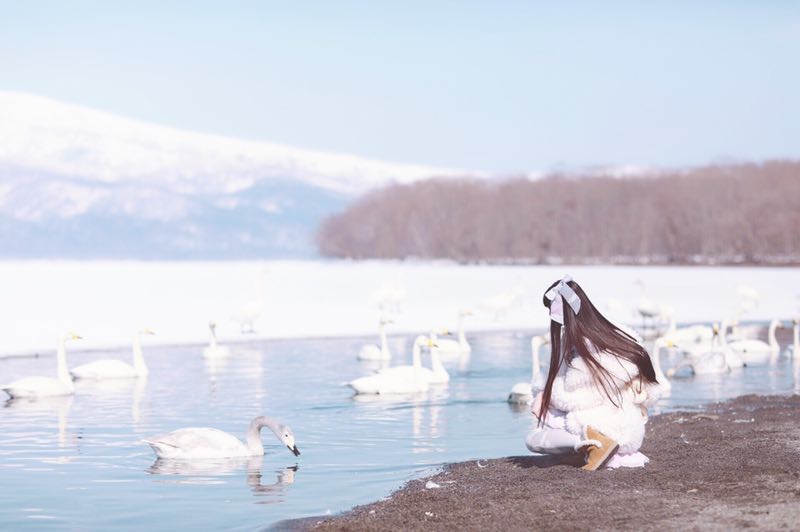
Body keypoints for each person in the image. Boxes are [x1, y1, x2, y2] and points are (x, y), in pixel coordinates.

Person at [525, 275, 662, 470]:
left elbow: (575, 397)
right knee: (549, 419)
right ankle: (595, 445)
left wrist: (544, 397)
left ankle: (595, 446)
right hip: (629, 428)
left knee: (533, 439)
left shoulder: (588, 350)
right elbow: (651, 389)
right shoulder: (613, 334)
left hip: (605, 429)